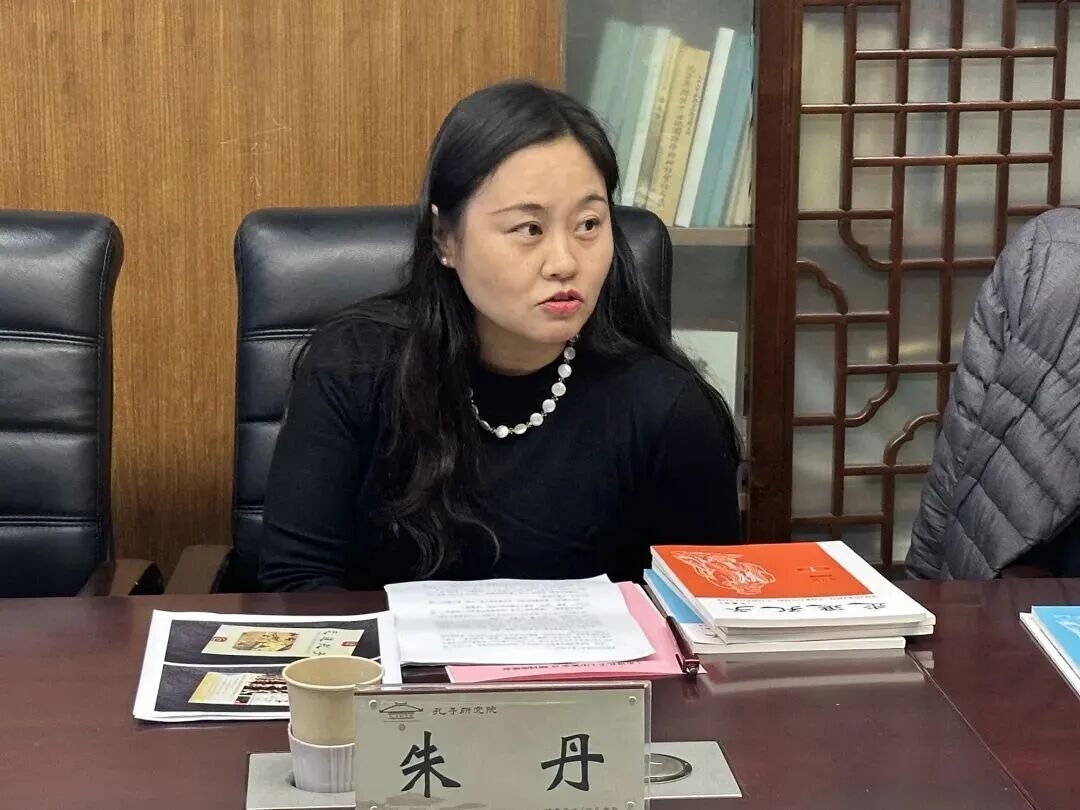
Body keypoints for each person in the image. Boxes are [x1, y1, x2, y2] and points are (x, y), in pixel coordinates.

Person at [259, 80, 742, 592]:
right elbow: (297, 584)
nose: (564, 263)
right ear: (445, 238)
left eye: (588, 224)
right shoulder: (353, 367)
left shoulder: (666, 409)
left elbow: (704, 617)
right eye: (529, 229)